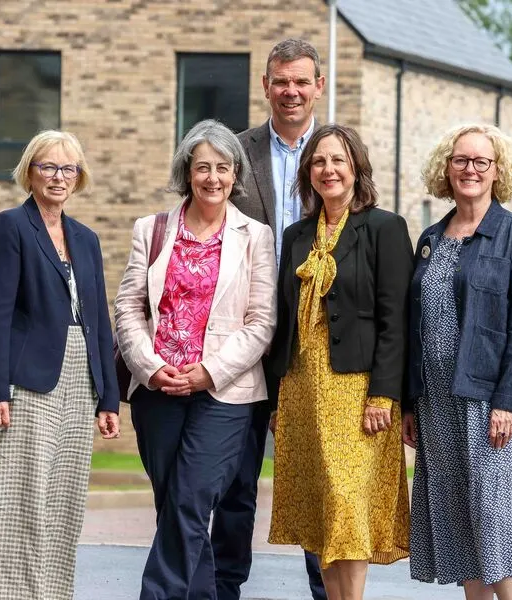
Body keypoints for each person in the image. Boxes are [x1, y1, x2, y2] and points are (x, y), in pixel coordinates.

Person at [114, 119, 277, 600]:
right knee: (174, 505)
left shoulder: (256, 236)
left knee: (191, 498)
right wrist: (150, 366)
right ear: (187, 172)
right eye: (203, 167)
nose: (213, 178)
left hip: (224, 393)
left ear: (235, 174)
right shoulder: (153, 229)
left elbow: (261, 321)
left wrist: (208, 372)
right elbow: (128, 308)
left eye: (223, 168)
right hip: (158, 389)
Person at [266, 123, 412, 600]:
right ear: (308, 173)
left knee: (349, 509)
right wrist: (275, 400)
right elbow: (283, 321)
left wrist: (385, 394)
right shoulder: (295, 236)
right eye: (319, 161)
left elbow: (397, 320)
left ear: (356, 169)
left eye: (338, 160)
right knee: (323, 514)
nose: (328, 169)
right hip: (303, 391)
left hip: (358, 393)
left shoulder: (383, 228)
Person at [0, 130, 121, 600]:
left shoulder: (87, 239)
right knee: (19, 494)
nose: (59, 177)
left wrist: (109, 395)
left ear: (79, 178)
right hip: (28, 380)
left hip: (81, 378)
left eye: (68, 169)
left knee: (64, 496)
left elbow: (100, 318)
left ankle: (51, 593)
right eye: (49, 167)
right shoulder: (9, 227)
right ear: (30, 172)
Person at [403, 124, 512, 600]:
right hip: (438, 404)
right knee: (463, 524)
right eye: (460, 160)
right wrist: (410, 400)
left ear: (497, 171)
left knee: (497, 519)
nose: (469, 169)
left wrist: (509, 401)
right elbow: (413, 324)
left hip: (490, 406)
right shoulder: (430, 238)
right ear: (446, 168)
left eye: (480, 162)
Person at [221, 38, 328, 600]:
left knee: (314, 479)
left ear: (318, 87)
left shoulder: (336, 155)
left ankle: (325, 590)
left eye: (301, 82)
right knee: (236, 483)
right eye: (280, 81)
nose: (291, 91)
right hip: (244, 342)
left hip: (314, 350)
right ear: (265, 86)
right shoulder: (235, 153)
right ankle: (225, 588)